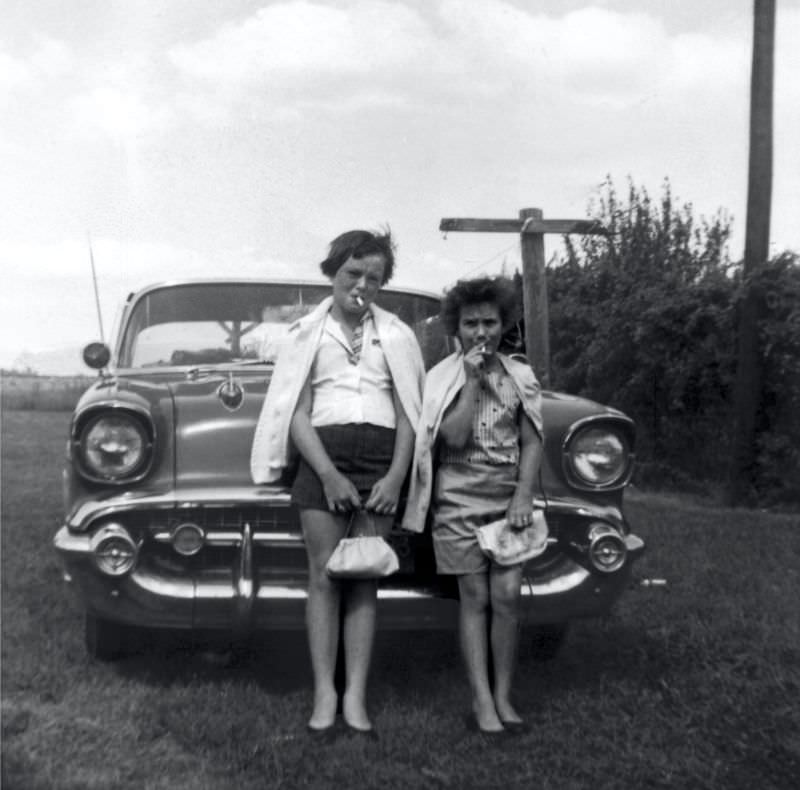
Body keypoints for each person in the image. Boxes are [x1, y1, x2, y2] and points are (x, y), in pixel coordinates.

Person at [250, 229, 424, 737]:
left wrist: (395, 477)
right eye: (353, 274)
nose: (362, 285)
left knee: (365, 578)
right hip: (321, 457)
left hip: (381, 460)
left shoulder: (397, 334)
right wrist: (326, 473)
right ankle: (324, 691)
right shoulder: (305, 333)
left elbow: (410, 413)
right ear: (332, 274)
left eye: (374, 278)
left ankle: (356, 696)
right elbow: (295, 412)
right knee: (325, 576)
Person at [403, 276, 544, 735]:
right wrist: (470, 382)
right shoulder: (442, 377)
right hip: (457, 495)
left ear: (504, 324)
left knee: (506, 598)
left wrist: (523, 494)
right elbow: (456, 436)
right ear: (455, 328)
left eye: (489, 323)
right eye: (470, 324)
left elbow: (531, 441)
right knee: (476, 598)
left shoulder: (521, 375)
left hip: (507, 494)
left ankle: (504, 696)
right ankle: (481, 700)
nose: (480, 333)